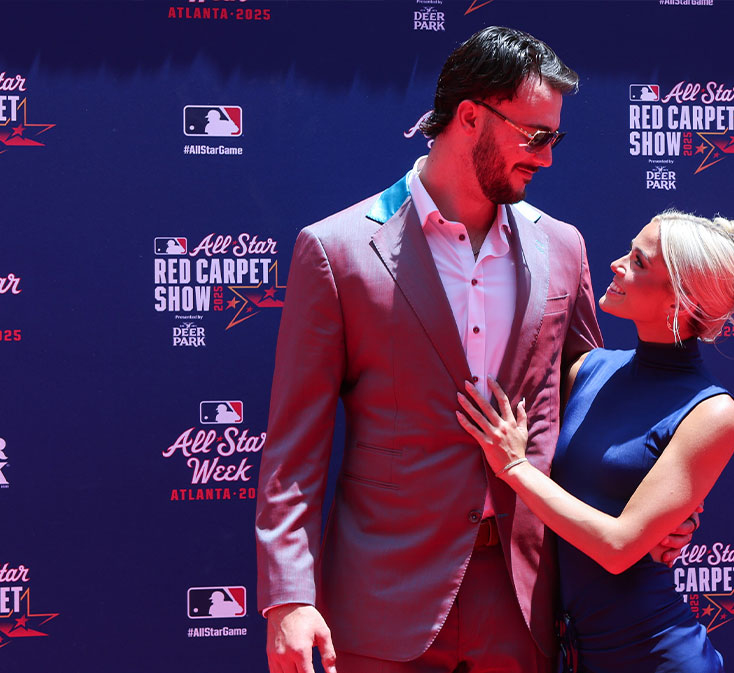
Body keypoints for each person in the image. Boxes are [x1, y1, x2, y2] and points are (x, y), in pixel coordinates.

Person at [255, 27, 694, 673]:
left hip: (525, 601)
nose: (546, 158)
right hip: (384, 599)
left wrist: (656, 505)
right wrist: (288, 599)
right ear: (469, 117)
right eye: (535, 136)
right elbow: (295, 446)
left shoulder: (563, 248)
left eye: (555, 138)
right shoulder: (338, 249)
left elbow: (591, 417)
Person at [458, 210, 734, 672]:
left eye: (639, 262)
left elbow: (619, 548)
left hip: (654, 656)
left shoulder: (713, 411)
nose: (617, 265)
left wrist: (514, 467)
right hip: (571, 653)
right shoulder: (587, 370)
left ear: (678, 302)